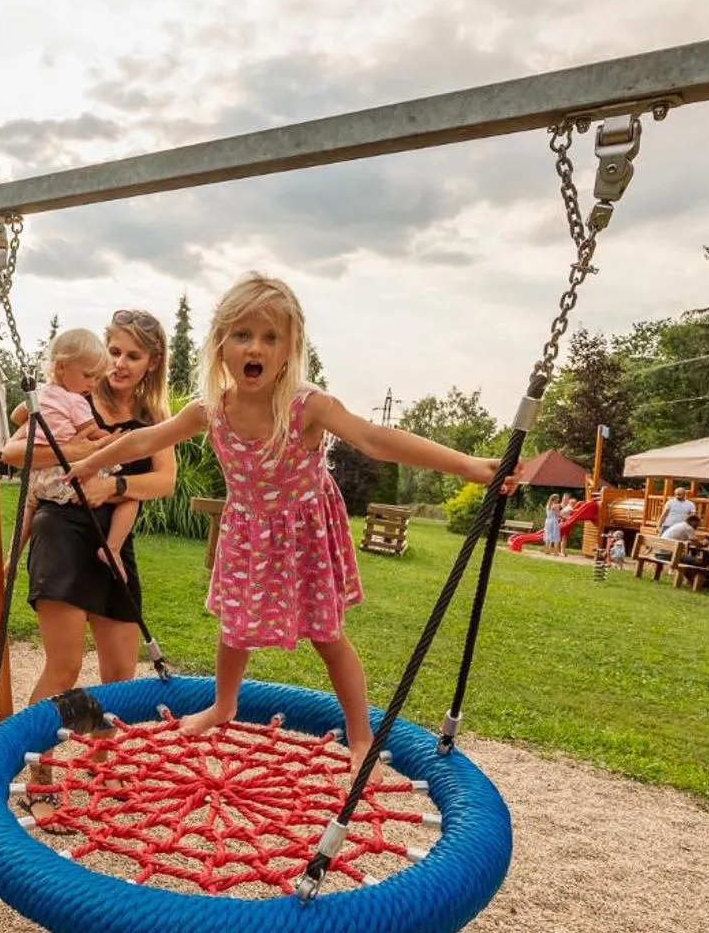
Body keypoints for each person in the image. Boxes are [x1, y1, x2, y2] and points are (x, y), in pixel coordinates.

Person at [67, 272, 511, 770]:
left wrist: (471, 466)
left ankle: (360, 734)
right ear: (220, 346)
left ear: (289, 347)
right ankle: (224, 704)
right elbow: (146, 440)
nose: (255, 347)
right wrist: (88, 462)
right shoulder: (211, 409)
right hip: (248, 532)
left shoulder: (307, 406)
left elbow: (374, 440)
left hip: (304, 534)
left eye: (270, 336)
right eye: (242, 335)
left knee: (326, 635)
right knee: (234, 627)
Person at [0, 308, 177, 709]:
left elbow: (164, 481)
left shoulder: (153, 419)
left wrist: (111, 485)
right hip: (62, 531)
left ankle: (104, 769)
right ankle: (36, 762)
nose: (118, 363)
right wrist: (84, 451)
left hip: (112, 542)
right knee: (64, 668)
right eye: (114, 350)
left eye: (133, 355)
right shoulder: (74, 397)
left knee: (120, 675)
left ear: (152, 362)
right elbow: (13, 453)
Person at [6, 329, 133, 572]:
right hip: (65, 477)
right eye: (88, 376)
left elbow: (16, 416)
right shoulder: (75, 402)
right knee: (130, 496)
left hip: (37, 478)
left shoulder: (39, 395)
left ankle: (11, 560)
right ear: (61, 367)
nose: (92, 384)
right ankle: (113, 549)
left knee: (27, 513)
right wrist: (114, 439)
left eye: (96, 378)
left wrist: (41, 421)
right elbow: (94, 433)